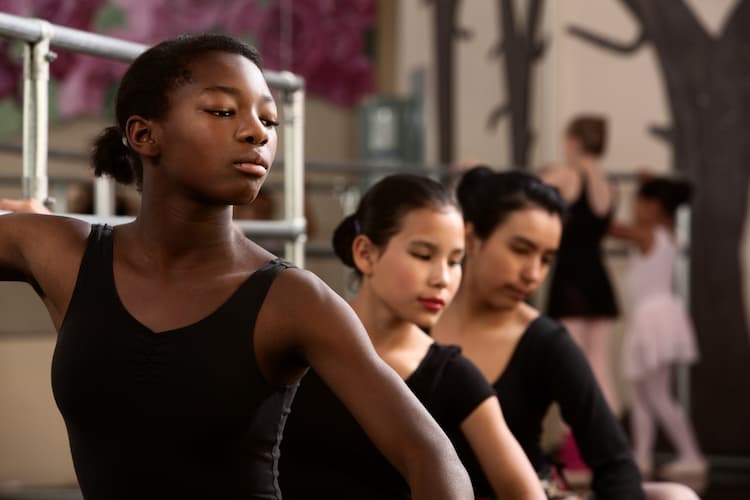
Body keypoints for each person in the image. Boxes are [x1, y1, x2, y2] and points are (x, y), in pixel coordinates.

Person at [0, 34, 472, 500]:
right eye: (223, 111)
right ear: (144, 134)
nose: (258, 132)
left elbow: (432, 458)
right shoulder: (61, 252)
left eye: (269, 119)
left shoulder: (294, 300)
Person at [434, 167, 701, 500]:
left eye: (546, 259)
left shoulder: (545, 341)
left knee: (676, 497)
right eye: (520, 250)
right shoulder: (417, 328)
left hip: (532, 493)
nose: (534, 274)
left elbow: (615, 463)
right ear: (471, 239)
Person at [279, 174, 544, 500]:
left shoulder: (453, 378)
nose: (443, 279)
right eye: (423, 254)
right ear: (366, 254)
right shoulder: (297, 346)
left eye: (455, 261)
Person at [608, 175, 706, 479]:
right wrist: (647, 182)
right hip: (655, 317)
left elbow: (610, 228)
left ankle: (691, 455)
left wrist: (602, 194)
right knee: (643, 394)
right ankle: (642, 456)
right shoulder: (668, 231)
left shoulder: (649, 233)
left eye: (639, 201)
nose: (635, 207)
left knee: (657, 394)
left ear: (654, 206)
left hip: (653, 320)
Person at [540, 115, 620, 416]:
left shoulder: (566, 175)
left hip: (571, 278)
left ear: (573, 142)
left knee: (573, 368)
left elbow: (521, 188)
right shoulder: (609, 185)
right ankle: (610, 453)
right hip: (598, 276)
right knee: (601, 367)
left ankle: (577, 455)